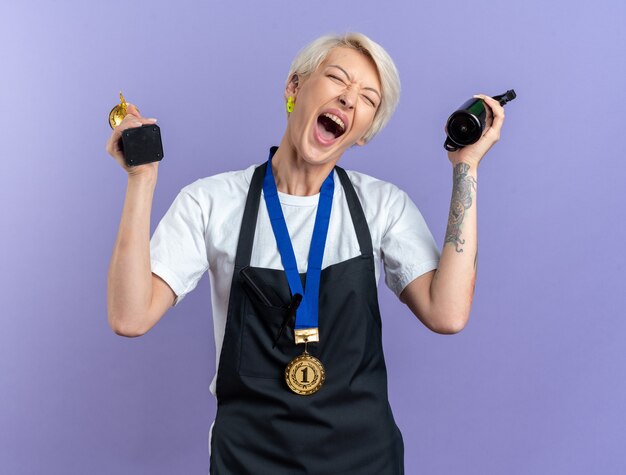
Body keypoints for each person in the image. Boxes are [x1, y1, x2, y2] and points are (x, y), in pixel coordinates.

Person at [106, 32, 505, 474]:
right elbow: (130, 316)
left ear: (365, 134)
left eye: (368, 99)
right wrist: (141, 180)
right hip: (248, 460)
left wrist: (465, 169)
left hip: (365, 461)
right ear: (294, 88)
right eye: (337, 78)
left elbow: (446, 313)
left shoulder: (383, 206)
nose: (349, 100)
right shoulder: (211, 201)